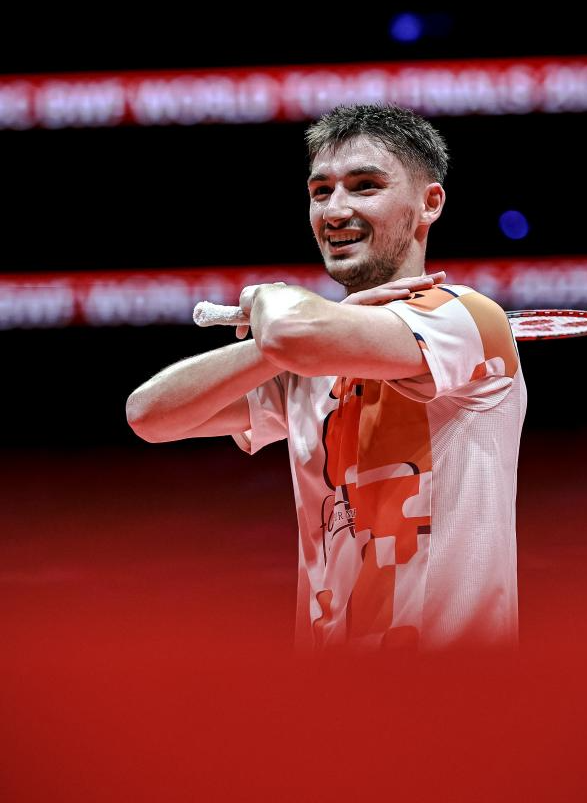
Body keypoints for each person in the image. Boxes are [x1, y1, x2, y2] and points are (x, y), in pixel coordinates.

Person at [127, 103, 527, 655]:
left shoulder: (464, 317)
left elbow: (293, 329)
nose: (335, 210)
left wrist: (270, 298)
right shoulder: (301, 359)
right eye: (320, 191)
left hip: (451, 689)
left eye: (365, 186)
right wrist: (279, 346)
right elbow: (149, 416)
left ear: (429, 204)